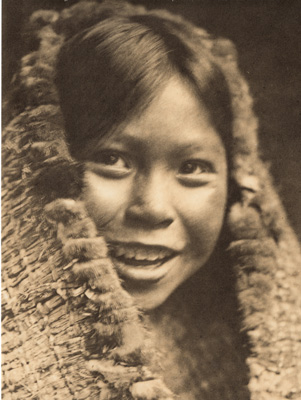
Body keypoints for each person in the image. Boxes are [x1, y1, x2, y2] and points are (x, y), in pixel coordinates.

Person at [2, 1, 300, 399]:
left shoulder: (257, 358)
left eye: (193, 168)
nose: (153, 208)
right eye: (112, 160)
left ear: (237, 179)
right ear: (38, 159)